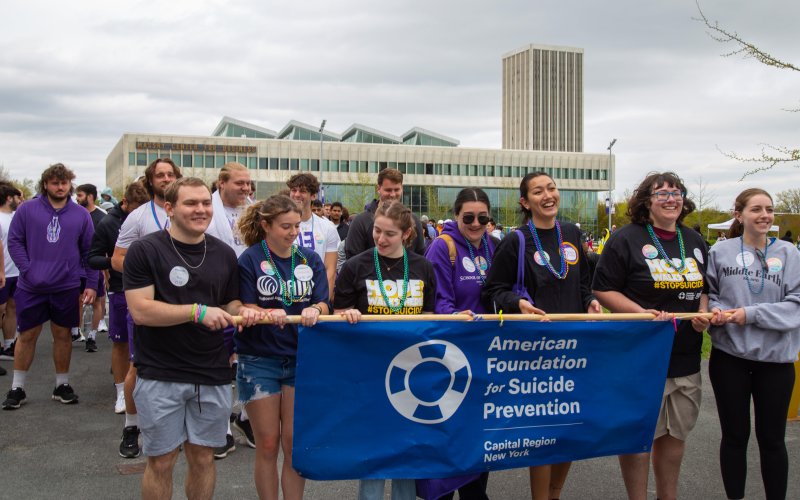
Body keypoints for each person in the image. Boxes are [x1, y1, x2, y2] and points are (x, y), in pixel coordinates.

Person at [124, 177, 261, 499]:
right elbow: (141, 311)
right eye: (191, 203)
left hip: (211, 371)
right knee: (161, 460)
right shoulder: (146, 250)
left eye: (205, 203)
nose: (200, 210)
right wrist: (197, 312)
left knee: (203, 458)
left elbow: (229, 301)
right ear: (169, 208)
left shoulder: (224, 253)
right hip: (161, 372)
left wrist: (246, 310)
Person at [592, 171, 710, 500]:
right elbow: (602, 289)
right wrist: (640, 314)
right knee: (639, 438)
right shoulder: (627, 238)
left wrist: (702, 312)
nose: (672, 198)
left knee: (675, 438)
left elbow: (705, 289)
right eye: (662, 193)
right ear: (647, 201)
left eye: (677, 192)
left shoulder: (695, 240)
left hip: (685, 359)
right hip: (639, 358)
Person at [482, 172, 600, 500]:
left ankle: (554, 494)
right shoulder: (516, 240)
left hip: (575, 348)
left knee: (569, 432)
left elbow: (582, 283)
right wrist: (518, 303)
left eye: (551, 188)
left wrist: (590, 301)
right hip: (536, 351)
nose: (547, 195)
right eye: (537, 191)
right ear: (525, 202)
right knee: (545, 433)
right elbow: (492, 289)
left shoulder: (573, 233)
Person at [335, 200, 436, 500]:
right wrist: (345, 314)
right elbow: (338, 312)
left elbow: (430, 315)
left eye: (389, 234)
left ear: (407, 234)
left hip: (411, 369)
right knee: (374, 445)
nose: (380, 238)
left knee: (407, 444)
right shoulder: (356, 266)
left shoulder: (422, 266)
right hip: (369, 368)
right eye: (377, 231)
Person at [706, 188, 800, 500]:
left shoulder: (789, 254)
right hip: (729, 358)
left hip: (775, 361)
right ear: (739, 214)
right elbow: (712, 293)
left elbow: (795, 306)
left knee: (772, 439)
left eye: (769, 210)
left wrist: (750, 314)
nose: (764, 215)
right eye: (756, 209)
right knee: (734, 437)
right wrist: (715, 311)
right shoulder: (720, 252)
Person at [235, 194, 329, 499]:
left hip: (301, 359)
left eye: (297, 226)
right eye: (285, 226)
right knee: (266, 443)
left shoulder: (310, 259)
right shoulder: (249, 259)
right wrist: (263, 313)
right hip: (259, 359)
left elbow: (324, 302)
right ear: (266, 225)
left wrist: (317, 309)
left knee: (292, 442)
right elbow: (244, 304)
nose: (293, 233)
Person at [2, 163, 99, 410]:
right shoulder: (27, 210)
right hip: (31, 286)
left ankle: (61, 385)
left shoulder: (80, 215)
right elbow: (14, 242)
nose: (60, 187)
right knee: (27, 335)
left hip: (66, 286)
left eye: (64, 183)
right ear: (46, 184)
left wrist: (91, 283)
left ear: (70, 185)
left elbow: (90, 251)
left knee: (63, 335)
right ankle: (17, 388)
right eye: (55, 183)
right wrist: (28, 269)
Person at [425, 188, 498, 499]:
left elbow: (506, 290)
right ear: (456, 215)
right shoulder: (443, 247)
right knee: (448, 434)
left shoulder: (494, 247)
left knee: (479, 432)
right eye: (468, 217)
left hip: (485, 353)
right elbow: (437, 300)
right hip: (449, 355)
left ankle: (474, 493)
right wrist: (457, 316)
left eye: (483, 217)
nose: (475, 223)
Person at [111, 158, 182, 458]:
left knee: (182, 366)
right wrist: (152, 269)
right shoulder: (138, 216)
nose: (165, 179)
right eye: (160, 175)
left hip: (183, 303)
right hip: (147, 302)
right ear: (150, 180)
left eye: (170, 174)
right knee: (138, 368)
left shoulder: (190, 210)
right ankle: (131, 427)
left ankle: (176, 429)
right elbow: (116, 259)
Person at [205, 162, 255, 458]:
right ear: (221, 183)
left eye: (248, 183)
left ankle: (246, 417)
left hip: (250, 293)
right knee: (221, 362)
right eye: (240, 183)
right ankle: (221, 424)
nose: (246, 188)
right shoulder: (209, 211)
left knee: (250, 357)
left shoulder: (255, 209)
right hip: (219, 293)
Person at [88, 181, 150, 415]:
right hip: (120, 288)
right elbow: (92, 258)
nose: (139, 215)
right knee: (121, 342)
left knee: (146, 342)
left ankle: (143, 390)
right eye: (135, 209)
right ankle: (121, 392)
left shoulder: (150, 217)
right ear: (125, 202)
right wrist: (116, 264)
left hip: (148, 290)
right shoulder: (107, 223)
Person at [345, 168, 425, 259]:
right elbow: (353, 261)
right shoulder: (361, 222)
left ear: (402, 188)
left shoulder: (413, 221)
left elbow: (420, 256)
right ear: (378, 189)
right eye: (388, 190)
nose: (393, 194)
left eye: (396, 190)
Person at [286, 173, 339, 300]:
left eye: (303, 191)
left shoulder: (328, 227)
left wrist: (323, 301)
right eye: (294, 190)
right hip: (286, 289)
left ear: (313, 195)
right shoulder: (280, 225)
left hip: (316, 291)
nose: (297, 194)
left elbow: (330, 269)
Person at [75, 183, 109, 351]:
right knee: (77, 301)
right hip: (75, 268)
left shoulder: (102, 217)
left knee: (96, 302)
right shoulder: (75, 214)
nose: (77, 198)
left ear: (90, 196)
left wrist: (106, 272)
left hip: (94, 267)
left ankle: (91, 337)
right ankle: (76, 331)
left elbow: (108, 247)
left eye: (80, 195)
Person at [0, 183, 22, 363]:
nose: (19, 200)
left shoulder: (16, 216)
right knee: (0, 310)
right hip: (2, 273)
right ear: (9, 198)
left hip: (17, 272)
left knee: (13, 308)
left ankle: (8, 345)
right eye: (16, 197)